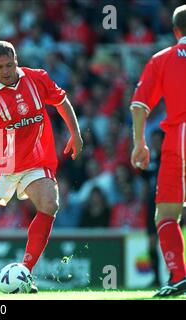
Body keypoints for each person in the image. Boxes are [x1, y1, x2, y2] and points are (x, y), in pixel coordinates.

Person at [0, 41, 83, 293]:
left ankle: (25, 273)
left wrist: (75, 133)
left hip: (36, 160)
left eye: (9, 65)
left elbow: (61, 101)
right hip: (0, 164)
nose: (6, 71)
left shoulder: (37, 78)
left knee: (50, 204)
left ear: (16, 60)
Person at [130, 5, 186, 297]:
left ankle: (178, 275)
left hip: (180, 137)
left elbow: (139, 105)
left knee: (166, 213)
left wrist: (140, 142)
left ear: (176, 31)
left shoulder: (162, 59)